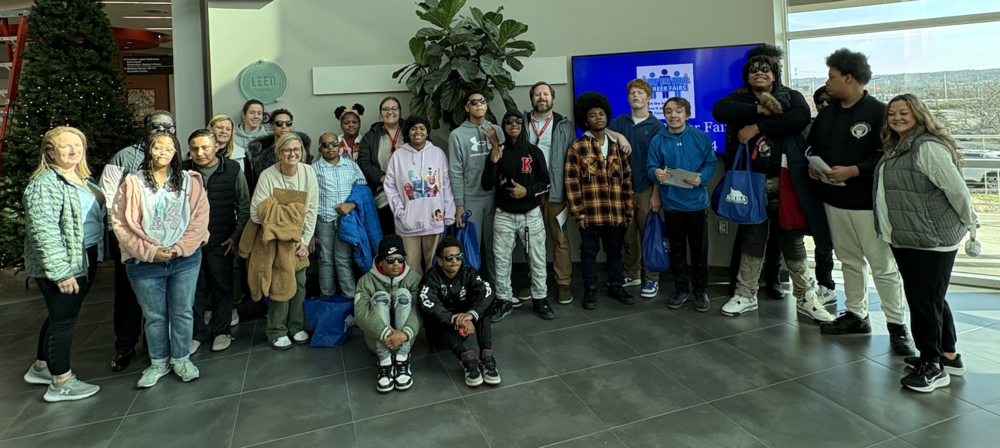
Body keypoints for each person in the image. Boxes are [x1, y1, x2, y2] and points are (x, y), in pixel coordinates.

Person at [712, 45, 833, 322]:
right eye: (753, 69)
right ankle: (745, 294)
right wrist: (763, 109)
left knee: (792, 240)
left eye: (765, 68)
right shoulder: (738, 98)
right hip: (750, 182)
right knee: (752, 239)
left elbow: (800, 116)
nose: (759, 73)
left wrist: (756, 126)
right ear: (747, 75)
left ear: (775, 73)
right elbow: (720, 110)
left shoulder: (790, 96)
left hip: (786, 181)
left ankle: (806, 297)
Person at [808, 48, 915, 355]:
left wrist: (854, 170)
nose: (828, 83)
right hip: (834, 201)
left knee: (882, 267)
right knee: (849, 262)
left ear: (849, 78)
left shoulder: (879, 112)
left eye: (832, 77)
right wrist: (815, 169)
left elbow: (888, 157)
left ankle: (897, 326)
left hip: (868, 204)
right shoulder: (827, 114)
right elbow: (811, 147)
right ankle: (857, 315)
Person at [874, 93, 977, 392]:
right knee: (932, 299)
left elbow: (957, 189)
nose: (896, 117)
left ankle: (932, 366)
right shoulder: (900, 146)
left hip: (930, 239)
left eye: (904, 112)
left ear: (919, 114)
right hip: (911, 236)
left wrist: (970, 223)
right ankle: (950, 355)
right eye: (892, 113)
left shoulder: (927, 147)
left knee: (923, 303)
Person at [112, 131, 210, 389]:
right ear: (149, 151)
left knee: (182, 312)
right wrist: (149, 252)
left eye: (169, 148)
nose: (163, 152)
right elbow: (120, 224)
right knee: (155, 316)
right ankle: (158, 363)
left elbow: (200, 220)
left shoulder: (191, 181)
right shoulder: (133, 183)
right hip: (144, 263)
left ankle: (181, 359)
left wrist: (179, 248)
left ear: (176, 152)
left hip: (184, 260)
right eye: (157, 147)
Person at [22, 127, 105, 402]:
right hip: (65, 263)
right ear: (49, 152)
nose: (73, 150)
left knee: (59, 316)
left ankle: (42, 367)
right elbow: (43, 231)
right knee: (64, 321)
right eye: (65, 146)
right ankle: (61, 383)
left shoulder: (81, 177)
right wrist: (61, 273)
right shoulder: (45, 183)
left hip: (84, 255)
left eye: (78, 145)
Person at [100, 109, 175, 372]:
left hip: (163, 240)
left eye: (169, 126)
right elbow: (109, 200)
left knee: (161, 295)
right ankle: (125, 347)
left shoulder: (175, 156)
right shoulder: (123, 156)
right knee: (128, 295)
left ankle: (156, 345)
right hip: (130, 241)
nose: (163, 130)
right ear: (145, 127)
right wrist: (125, 237)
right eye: (157, 125)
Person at [565, 92, 634, 310]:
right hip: (590, 214)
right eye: (593, 115)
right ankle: (590, 290)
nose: (599, 118)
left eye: (602, 114)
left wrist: (628, 210)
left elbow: (627, 180)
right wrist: (578, 213)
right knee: (588, 253)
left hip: (615, 212)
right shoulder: (577, 147)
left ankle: (616, 285)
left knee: (615, 252)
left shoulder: (617, 147)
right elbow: (571, 182)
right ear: (586, 120)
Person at [182, 129, 250, 353]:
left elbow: (243, 204)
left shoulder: (232, 168)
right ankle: (198, 332)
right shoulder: (183, 171)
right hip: (190, 242)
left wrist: (236, 235)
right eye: (194, 149)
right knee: (195, 288)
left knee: (222, 286)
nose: (199, 153)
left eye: (205, 147)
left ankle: (222, 331)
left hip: (222, 239)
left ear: (217, 147)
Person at [250, 132, 319, 349]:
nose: (292, 154)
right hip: (274, 241)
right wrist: (288, 218)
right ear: (279, 152)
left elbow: (312, 209)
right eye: (287, 150)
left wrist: (305, 239)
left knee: (299, 284)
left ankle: (296, 326)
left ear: (302, 152)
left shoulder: (308, 172)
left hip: (298, 239)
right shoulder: (267, 176)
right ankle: (276, 329)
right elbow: (255, 213)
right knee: (280, 283)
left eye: (297, 149)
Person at [647, 98, 717, 312]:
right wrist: (655, 173)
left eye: (678, 111)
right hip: (672, 205)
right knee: (676, 250)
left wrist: (702, 178)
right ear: (664, 115)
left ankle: (700, 291)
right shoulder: (658, 139)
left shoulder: (699, 136)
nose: (673, 115)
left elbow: (711, 162)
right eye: (668, 111)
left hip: (696, 204)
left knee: (699, 250)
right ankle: (680, 290)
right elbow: (651, 167)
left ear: (687, 115)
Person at [483, 110, 552, 321]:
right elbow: (487, 185)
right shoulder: (498, 151)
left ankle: (540, 297)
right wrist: (494, 162)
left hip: (530, 214)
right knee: (501, 260)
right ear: (503, 127)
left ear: (523, 126)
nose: (514, 124)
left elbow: (546, 182)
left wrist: (527, 192)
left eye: (518, 122)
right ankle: (504, 299)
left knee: (538, 258)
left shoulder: (534, 151)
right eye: (509, 122)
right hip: (504, 214)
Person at [608, 79, 666, 298]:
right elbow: (600, 131)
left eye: (640, 93)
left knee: (649, 235)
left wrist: (656, 194)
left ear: (649, 98)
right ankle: (632, 273)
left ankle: (651, 279)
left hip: (646, 189)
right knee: (628, 236)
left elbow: (661, 164)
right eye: (632, 93)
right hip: (622, 189)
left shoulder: (657, 127)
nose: (635, 96)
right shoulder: (620, 122)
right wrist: (620, 136)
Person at [520, 81, 576, 306]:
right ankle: (534, 281)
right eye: (537, 94)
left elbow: (573, 159)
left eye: (545, 94)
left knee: (560, 239)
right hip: (530, 193)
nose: (541, 98)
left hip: (556, 193)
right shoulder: (521, 123)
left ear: (553, 98)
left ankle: (563, 282)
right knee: (531, 241)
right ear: (532, 99)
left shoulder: (564, 125)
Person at [419, 237, 500, 387]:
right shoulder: (431, 277)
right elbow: (427, 304)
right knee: (435, 316)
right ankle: (467, 360)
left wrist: (471, 315)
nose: (454, 261)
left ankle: (487, 357)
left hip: (465, 327)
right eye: (449, 257)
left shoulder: (469, 273)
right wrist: (454, 319)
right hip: (440, 334)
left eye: (458, 257)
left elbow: (488, 292)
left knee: (482, 308)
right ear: (440, 261)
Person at [384, 115, 455, 274]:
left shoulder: (437, 153)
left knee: (435, 265)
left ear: (427, 132)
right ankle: (414, 297)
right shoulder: (398, 156)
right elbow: (390, 186)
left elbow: (445, 184)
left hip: (434, 219)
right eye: (413, 128)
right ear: (408, 133)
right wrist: (400, 213)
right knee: (411, 267)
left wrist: (448, 214)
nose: (418, 132)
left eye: (422, 128)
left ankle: (431, 295)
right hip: (408, 222)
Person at [449, 91, 505, 294]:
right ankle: (471, 292)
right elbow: (455, 171)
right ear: (467, 107)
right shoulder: (457, 134)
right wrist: (459, 205)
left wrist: (495, 140)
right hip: (471, 200)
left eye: (483, 101)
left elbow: (504, 160)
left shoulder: (497, 129)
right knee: (470, 249)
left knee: (494, 248)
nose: (479, 105)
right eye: (474, 102)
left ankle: (499, 292)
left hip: (495, 199)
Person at [354, 235, 423, 393]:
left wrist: (404, 335)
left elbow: (419, 311)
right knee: (381, 296)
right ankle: (384, 362)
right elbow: (360, 314)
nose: (397, 264)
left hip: (406, 340)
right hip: (377, 342)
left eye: (400, 259)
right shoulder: (366, 281)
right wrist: (386, 334)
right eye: (391, 260)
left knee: (404, 294)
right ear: (380, 261)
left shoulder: (414, 278)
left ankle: (402, 360)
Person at [313, 132, 367, 297]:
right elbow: (309, 197)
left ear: (339, 146)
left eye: (334, 144)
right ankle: (327, 299)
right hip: (324, 221)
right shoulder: (313, 169)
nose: (330, 148)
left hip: (347, 221)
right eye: (326, 145)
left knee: (343, 260)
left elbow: (362, 189)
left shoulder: (351, 166)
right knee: (326, 260)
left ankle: (350, 299)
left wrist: (350, 204)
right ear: (320, 148)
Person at [357, 96, 404, 237]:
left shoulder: (410, 131)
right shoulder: (371, 136)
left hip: (408, 194)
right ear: (380, 113)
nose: (390, 112)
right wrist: (383, 178)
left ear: (400, 111)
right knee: (387, 235)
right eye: (386, 109)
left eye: (394, 108)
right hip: (382, 196)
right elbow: (364, 162)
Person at [246, 108, 313, 193]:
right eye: (279, 123)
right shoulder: (259, 151)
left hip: (297, 193)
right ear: (271, 126)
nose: (284, 126)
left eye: (288, 123)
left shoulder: (302, 148)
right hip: (268, 193)